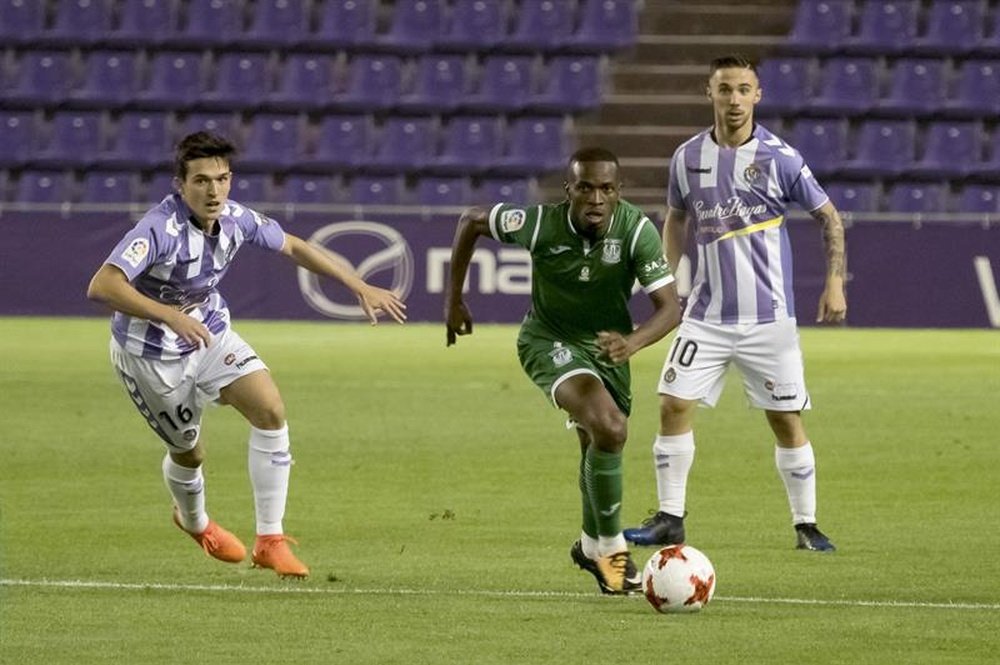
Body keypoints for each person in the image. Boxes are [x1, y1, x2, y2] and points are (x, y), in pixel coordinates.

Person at [87, 132, 406, 578]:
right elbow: (102, 285)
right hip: (152, 356)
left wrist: (358, 286)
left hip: (211, 333)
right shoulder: (159, 229)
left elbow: (294, 245)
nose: (213, 191)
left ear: (230, 180)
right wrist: (169, 316)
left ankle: (270, 540)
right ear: (181, 185)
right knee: (190, 452)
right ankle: (194, 521)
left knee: (270, 409)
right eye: (200, 181)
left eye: (220, 179)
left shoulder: (236, 219)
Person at [623, 55, 847, 552]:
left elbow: (829, 218)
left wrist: (835, 283)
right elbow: (676, 220)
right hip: (706, 316)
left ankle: (806, 525)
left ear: (757, 95)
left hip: (769, 320)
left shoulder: (781, 157)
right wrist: (665, 279)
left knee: (785, 419)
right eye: (724, 89)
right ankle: (670, 518)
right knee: (672, 404)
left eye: (743, 89)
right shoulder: (686, 158)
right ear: (710, 94)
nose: (734, 99)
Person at [445, 147, 682, 594]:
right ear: (569, 189)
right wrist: (453, 299)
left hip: (607, 349)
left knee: (596, 444)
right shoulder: (539, 223)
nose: (596, 198)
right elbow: (471, 220)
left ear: (619, 192)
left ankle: (591, 545)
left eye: (607, 189)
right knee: (610, 428)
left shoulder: (635, 231)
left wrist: (631, 342)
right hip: (548, 342)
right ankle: (612, 550)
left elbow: (671, 309)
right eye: (586, 187)